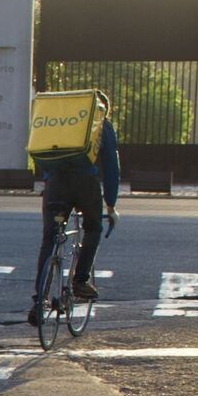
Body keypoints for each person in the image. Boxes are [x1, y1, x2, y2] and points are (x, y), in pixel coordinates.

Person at [31, 97, 120, 319]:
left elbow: (41, 153)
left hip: (55, 185)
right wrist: (111, 204)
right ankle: (80, 280)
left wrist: (50, 178)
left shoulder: (58, 122)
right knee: (93, 228)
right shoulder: (102, 124)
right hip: (85, 185)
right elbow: (111, 166)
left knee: (49, 239)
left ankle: (39, 300)